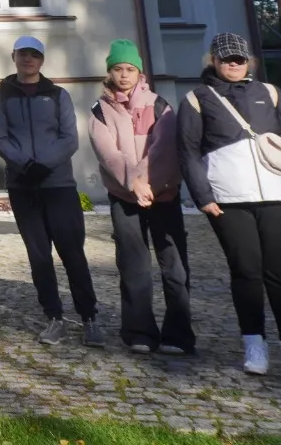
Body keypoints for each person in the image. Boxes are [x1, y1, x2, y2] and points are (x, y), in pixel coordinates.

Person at [179, 31, 281, 376]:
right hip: (228, 201)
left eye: (239, 59)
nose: (233, 64)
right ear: (213, 60)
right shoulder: (197, 98)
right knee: (246, 273)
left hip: (278, 195)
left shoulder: (271, 94)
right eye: (227, 58)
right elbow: (187, 152)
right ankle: (254, 344)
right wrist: (204, 196)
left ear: (249, 62)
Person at [0, 35, 104, 348]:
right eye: (23, 54)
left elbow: (69, 138)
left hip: (58, 186)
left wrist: (44, 163)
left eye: (35, 55)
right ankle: (53, 317)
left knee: (73, 253)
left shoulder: (57, 95)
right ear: (14, 56)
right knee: (39, 256)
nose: (29, 60)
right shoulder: (1, 97)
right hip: (23, 187)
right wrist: (25, 165)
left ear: (42, 60)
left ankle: (89, 316)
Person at [89, 38, 193, 355]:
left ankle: (178, 334)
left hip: (163, 194)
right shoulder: (100, 109)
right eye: (118, 68)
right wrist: (133, 183)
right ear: (110, 72)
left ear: (139, 72)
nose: (123, 74)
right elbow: (107, 152)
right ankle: (139, 332)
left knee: (174, 268)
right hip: (125, 197)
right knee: (134, 267)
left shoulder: (160, 105)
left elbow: (164, 149)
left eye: (129, 69)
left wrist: (147, 182)